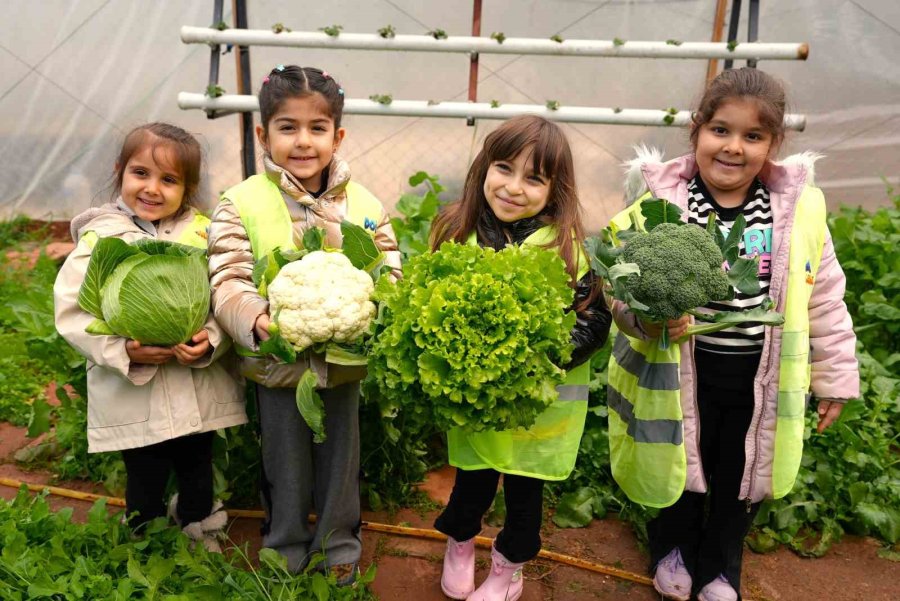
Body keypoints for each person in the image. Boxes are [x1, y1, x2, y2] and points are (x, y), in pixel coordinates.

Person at [607, 68, 860, 601]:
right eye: (720, 130)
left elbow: (825, 295)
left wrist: (835, 375)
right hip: (680, 374)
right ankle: (671, 547)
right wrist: (648, 318)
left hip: (757, 376)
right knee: (679, 462)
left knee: (738, 473)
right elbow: (620, 289)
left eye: (752, 136)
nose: (733, 148)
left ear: (773, 144)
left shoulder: (796, 211)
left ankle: (722, 563)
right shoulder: (658, 203)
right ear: (697, 130)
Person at [207, 65, 400, 583]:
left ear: (336, 136)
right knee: (284, 460)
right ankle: (286, 543)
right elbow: (226, 276)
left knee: (343, 459)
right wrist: (256, 319)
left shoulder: (365, 206)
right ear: (262, 134)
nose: (303, 141)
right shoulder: (240, 202)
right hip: (276, 365)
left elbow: (389, 270)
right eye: (287, 127)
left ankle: (339, 545)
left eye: (317, 128)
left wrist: (381, 308)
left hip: (344, 367)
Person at [430, 115, 611, 601]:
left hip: (541, 412)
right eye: (504, 168)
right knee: (471, 484)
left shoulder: (568, 247)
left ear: (555, 190)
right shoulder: (456, 230)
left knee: (525, 499)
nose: (513, 187)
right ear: (483, 168)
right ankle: (461, 543)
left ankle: (509, 567)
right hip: (478, 411)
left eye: (534, 178)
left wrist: (537, 360)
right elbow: (424, 305)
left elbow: (594, 321)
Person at [54, 122, 247, 551]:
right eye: (141, 173)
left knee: (198, 461)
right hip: (133, 387)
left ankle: (199, 523)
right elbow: (71, 311)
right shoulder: (99, 239)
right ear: (120, 171)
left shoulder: (204, 235)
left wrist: (212, 339)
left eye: (169, 180)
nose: (152, 189)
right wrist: (121, 348)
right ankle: (144, 533)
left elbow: (224, 297)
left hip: (196, 382)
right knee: (145, 467)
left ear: (189, 188)